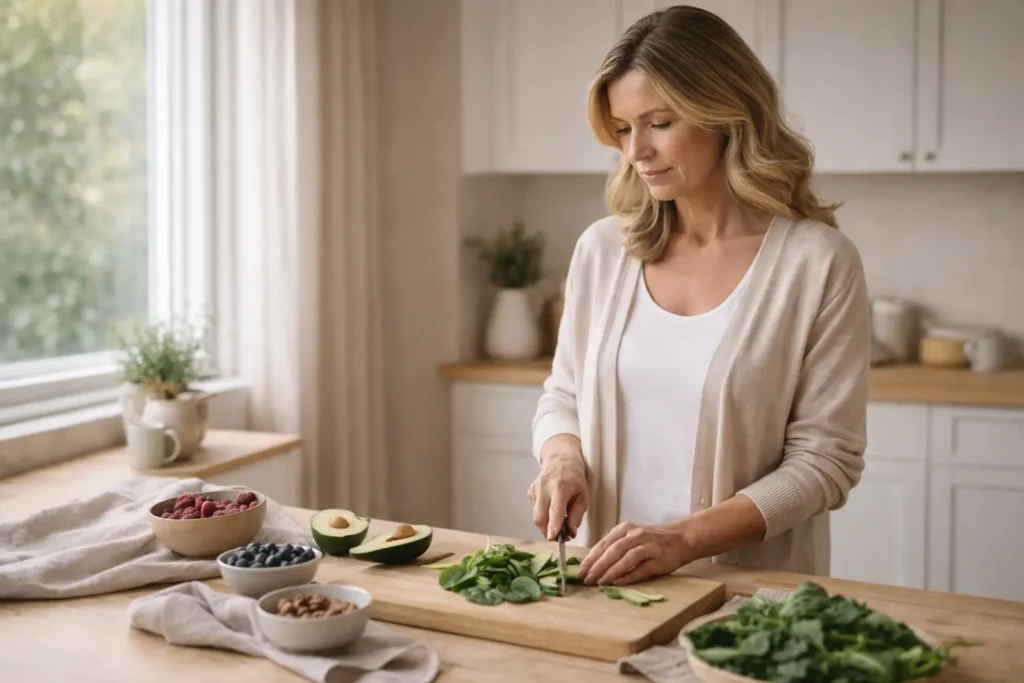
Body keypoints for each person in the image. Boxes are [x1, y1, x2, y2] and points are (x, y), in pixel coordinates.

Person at [526, 5, 871, 588]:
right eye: (623, 129)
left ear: (725, 115)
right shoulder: (602, 251)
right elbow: (564, 395)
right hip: (605, 583)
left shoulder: (818, 264)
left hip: (751, 604)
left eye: (659, 123)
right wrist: (561, 458)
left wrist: (681, 541)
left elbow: (824, 462)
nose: (636, 151)